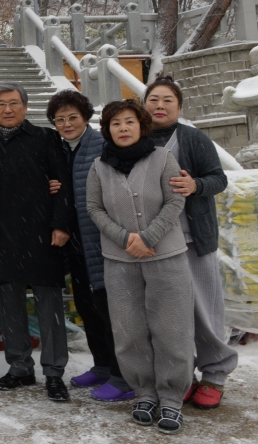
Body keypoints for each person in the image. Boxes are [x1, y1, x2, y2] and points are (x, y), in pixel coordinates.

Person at [87, 99, 191, 434]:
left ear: (141, 125)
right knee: (128, 330)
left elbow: (176, 199)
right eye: (115, 124)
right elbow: (94, 208)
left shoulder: (163, 159)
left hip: (166, 257)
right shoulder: (99, 167)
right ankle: (144, 392)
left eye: (129, 122)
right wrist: (125, 237)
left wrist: (148, 237)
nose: (123, 128)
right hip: (120, 261)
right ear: (108, 130)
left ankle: (172, 398)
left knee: (172, 329)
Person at [0, 82, 72, 402]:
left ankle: (54, 372)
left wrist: (60, 225)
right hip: (2, 236)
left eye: (14, 103)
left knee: (49, 306)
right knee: (9, 305)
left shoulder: (45, 138)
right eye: (1, 104)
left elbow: (64, 183)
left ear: (26, 107)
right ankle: (19, 367)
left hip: (43, 235)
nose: (8, 109)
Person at [145, 76, 236, 410]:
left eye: (167, 100)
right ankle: (180, 374)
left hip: (192, 238)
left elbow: (219, 178)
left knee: (205, 310)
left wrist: (195, 185)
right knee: (169, 315)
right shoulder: (136, 140)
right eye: (153, 99)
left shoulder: (193, 138)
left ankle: (215, 373)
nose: (159, 106)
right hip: (155, 243)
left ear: (178, 106)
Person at [46, 91, 133, 402]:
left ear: (85, 117)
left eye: (73, 117)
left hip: (103, 242)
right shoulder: (61, 148)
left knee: (112, 312)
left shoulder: (101, 146)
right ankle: (103, 365)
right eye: (60, 119)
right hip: (78, 244)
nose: (67, 124)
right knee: (88, 307)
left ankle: (125, 377)